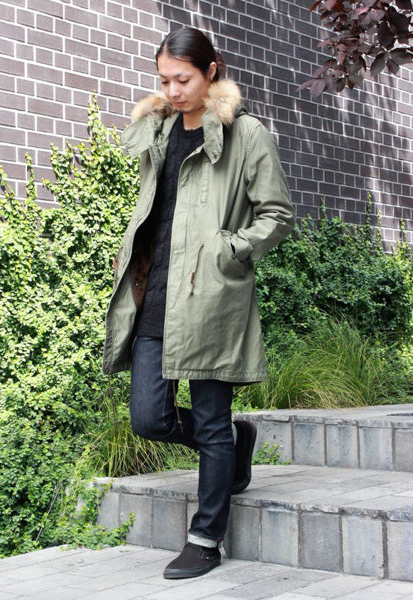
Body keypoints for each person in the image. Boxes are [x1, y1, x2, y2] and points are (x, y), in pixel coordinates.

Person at [103, 27, 295, 579]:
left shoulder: (245, 134)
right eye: (163, 79)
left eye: (182, 79)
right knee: (148, 417)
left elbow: (277, 214)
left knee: (210, 421)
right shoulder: (159, 130)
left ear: (211, 71)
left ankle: (205, 538)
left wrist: (230, 249)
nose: (172, 90)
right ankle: (236, 442)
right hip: (153, 291)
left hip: (210, 293)